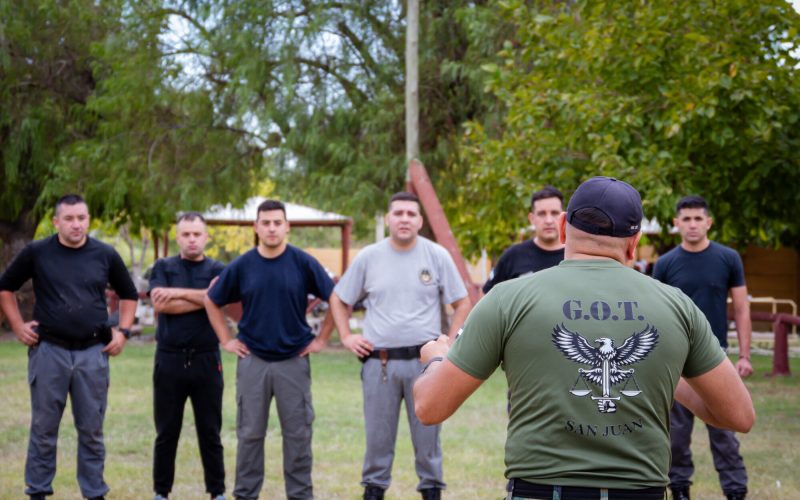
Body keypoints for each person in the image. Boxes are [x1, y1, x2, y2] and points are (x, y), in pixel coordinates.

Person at [413, 177, 755, 500]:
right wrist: (663, 372)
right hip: (640, 492)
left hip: (540, 489)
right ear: (634, 244)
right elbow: (739, 416)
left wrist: (437, 358)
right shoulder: (678, 306)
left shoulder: (506, 299)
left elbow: (430, 407)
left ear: (563, 226)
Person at [329, 191, 472, 500]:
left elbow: (463, 302)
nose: (404, 219)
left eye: (410, 214)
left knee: (428, 440)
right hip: (380, 363)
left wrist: (451, 342)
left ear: (420, 220)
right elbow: (339, 299)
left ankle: (432, 491)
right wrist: (346, 336)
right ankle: (374, 490)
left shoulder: (436, 255)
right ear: (388, 219)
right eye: (398, 213)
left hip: (427, 364)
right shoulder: (369, 256)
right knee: (377, 441)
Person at [0, 194, 138, 500]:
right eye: (70, 219)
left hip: (93, 352)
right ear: (56, 222)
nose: (77, 225)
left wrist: (124, 332)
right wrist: (18, 326)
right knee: (44, 429)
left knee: (91, 430)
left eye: (82, 218)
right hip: (49, 351)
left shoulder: (105, 253)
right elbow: (5, 287)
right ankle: (37, 491)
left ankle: (94, 493)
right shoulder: (37, 252)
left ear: (88, 219)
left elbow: (129, 294)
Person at [204, 199, 335, 500]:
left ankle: (300, 495)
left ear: (287, 226)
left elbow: (336, 297)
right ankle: (246, 495)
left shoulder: (303, 262)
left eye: (278, 222)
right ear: (257, 227)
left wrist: (321, 339)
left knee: (298, 437)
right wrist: (226, 339)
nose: (272, 228)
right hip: (254, 361)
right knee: (249, 436)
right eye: (266, 222)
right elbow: (212, 299)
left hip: (293, 361)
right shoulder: (243, 264)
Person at [653, 195, 753, 500]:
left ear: (708, 222)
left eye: (698, 218)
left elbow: (741, 308)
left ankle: (735, 491)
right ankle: (680, 489)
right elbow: (656, 312)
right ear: (676, 224)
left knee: (725, 433)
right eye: (686, 219)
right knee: (677, 437)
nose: (693, 224)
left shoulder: (728, 258)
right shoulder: (665, 264)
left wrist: (745, 355)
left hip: (715, 358)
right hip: (677, 362)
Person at [148, 212, 226, 500]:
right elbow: (161, 304)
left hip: (207, 359)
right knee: (166, 431)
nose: (192, 239)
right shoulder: (163, 266)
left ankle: (217, 492)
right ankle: (161, 492)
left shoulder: (218, 267)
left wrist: (178, 294)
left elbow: (221, 301)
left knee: (210, 431)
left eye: (197, 234)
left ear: (206, 236)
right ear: (177, 237)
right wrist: (206, 297)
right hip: (169, 359)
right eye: (186, 234)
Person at [483, 185, 565, 293]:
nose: (548, 220)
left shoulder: (575, 256)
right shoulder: (513, 256)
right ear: (532, 218)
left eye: (554, 213)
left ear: (563, 217)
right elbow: (486, 295)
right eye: (541, 214)